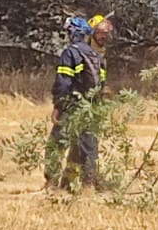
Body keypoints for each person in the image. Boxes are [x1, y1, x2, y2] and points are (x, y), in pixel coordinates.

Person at [47, 14, 112, 190]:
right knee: (86, 148)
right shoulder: (97, 57)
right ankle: (86, 186)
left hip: (72, 107)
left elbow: (64, 82)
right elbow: (101, 86)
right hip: (90, 108)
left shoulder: (70, 53)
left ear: (71, 33)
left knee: (56, 145)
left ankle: (51, 185)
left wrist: (58, 106)